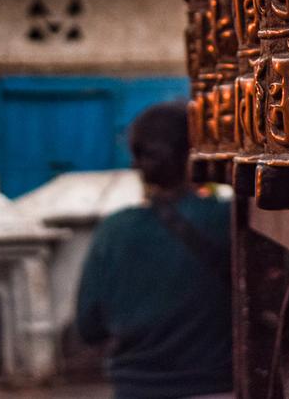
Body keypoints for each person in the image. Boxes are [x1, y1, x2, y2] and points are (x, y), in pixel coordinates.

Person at [77, 102, 233, 399]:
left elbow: (89, 327)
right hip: (215, 387)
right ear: (193, 155)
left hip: (135, 389)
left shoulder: (113, 231)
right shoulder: (226, 220)